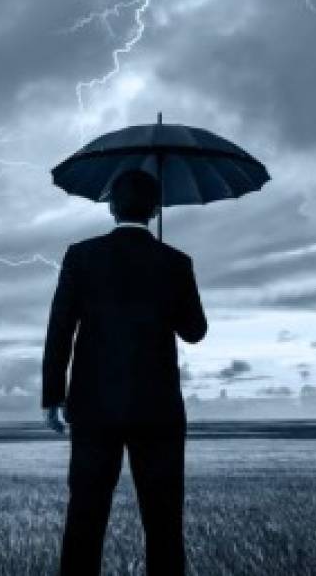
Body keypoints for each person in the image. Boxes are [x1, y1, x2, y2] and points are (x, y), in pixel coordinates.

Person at [42, 168, 207, 576]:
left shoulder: (81, 256)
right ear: (155, 209)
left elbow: (60, 328)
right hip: (158, 411)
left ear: (112, 207)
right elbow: (195, 331)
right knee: (164, 521)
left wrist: (52, 395)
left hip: (94, 407)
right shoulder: (175, 262)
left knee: (85, 517)